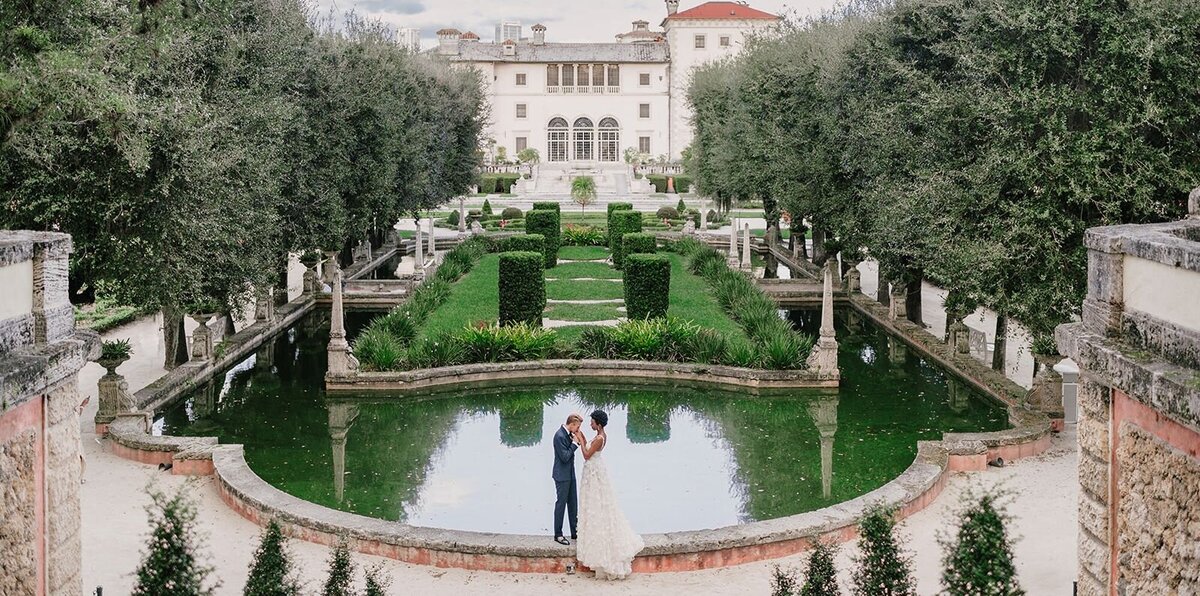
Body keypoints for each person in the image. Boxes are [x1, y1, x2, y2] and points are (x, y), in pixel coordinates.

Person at [573, 409, 645, 579]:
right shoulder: (599, 436)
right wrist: (582, 437)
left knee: (597, 504)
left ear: (598, 423)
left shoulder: (600, 438)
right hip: (593, 471)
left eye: (592, 422)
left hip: (594, 472)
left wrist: (580, 441)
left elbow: (586, 455)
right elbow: (589, 449)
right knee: (594, 504)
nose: (590, 424)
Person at [552, 413, 583, 545]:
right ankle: (558, 535)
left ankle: (575, 532)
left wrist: (576, 439)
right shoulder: (559, 436)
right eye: (578, 427)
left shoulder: (569, 434)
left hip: (570, 474)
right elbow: (564, 457)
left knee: (573, 503)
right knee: (561, 504)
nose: (578, 429)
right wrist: (574, 444)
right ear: (572, 424)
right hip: (561, 476)